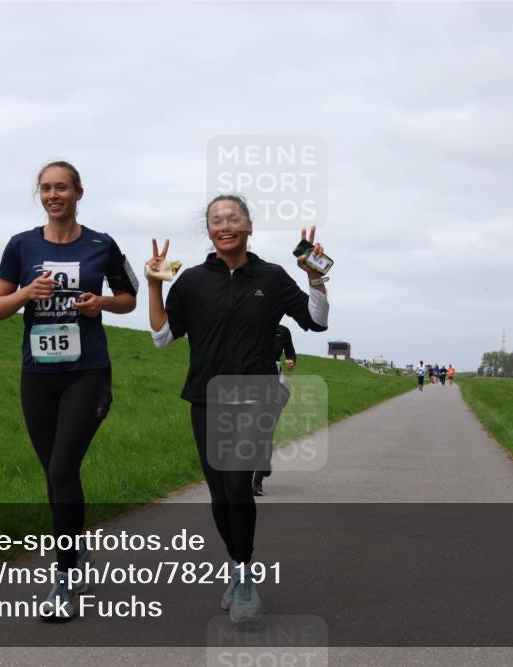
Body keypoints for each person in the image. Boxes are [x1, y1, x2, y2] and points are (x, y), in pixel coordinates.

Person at [147, 195, 329, 623]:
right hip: (206, 398)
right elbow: (161, 337)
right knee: (217, 496)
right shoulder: (191, 281)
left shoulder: (272, 276)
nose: (224, 225)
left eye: (233, 218)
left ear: (249, 226)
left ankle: (245, 575)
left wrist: (316, 278)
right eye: (215, 220)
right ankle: (236, 564)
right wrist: (154, 284)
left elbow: (316, 321)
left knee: (235, 486)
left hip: (256, 394)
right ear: (209, 231)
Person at [0, 161, 138, 620]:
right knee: (54, 474)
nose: (54, 195)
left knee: (63, 469)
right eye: (47, 188)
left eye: (62, 188)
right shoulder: (21, 245)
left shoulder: (101, 244)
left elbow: (129, 298)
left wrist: (102, 304)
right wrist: (26, 294)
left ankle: (64, 578)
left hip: (87, 372)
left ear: (78, 192)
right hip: (38, 374)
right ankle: (75, 549)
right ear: (41, 195)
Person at [252, 322, 297, 497]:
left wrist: (291, 361)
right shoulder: (248, 325)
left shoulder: (282, 331)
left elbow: (291, 352)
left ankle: (257, 481)